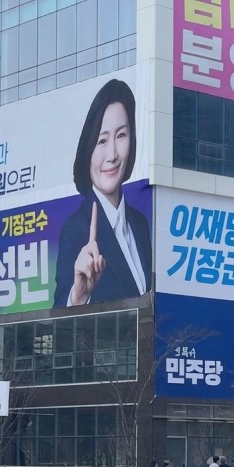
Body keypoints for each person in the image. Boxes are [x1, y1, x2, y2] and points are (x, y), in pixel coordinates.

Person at [54, 79, 151, 307]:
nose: (112, 155)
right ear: (88, 149)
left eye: (121, 136)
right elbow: (58, 312)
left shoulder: (139, 223)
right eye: (102, 140)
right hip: (105, 343)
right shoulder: (77, 228)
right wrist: (78, 296)